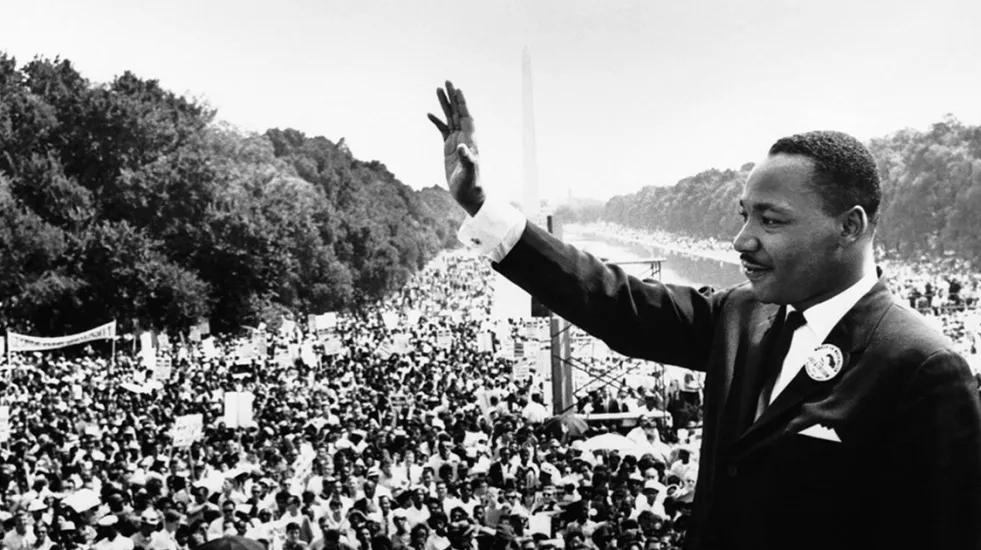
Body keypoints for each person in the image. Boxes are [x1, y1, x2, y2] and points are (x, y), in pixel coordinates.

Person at [427, 81, 981, 549]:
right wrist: (483, 207)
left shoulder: (923, 368)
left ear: (850, 227)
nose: (742, 239)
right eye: (744, 215)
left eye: (771, 220)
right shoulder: (741, 314)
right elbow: (611, 300)